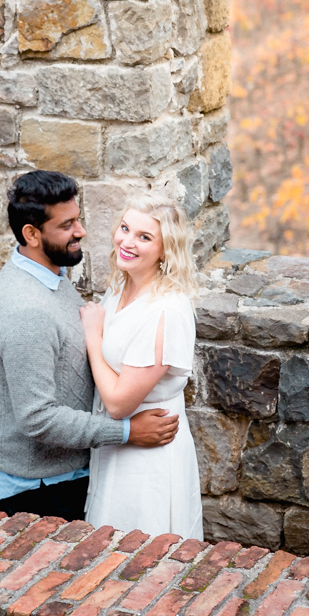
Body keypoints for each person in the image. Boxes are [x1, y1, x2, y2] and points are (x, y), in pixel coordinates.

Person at [0, 170, 179, 521]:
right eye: (67, 224)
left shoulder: (48, 274)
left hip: (59, 476)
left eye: (79, 219)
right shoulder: (27, 310)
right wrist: (128, 432)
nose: (81, 231)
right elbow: (38, 418)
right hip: (40, 491)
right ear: (32, 234)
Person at [80, 195, 203, 539]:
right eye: (124, 228)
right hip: (116, 446)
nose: (127, 242)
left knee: (141, 556)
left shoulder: (165, 310)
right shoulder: (122, 285)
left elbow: (119, 402)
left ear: (166, 250)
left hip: (148, 455)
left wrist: (93, 335)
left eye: (144, 237)